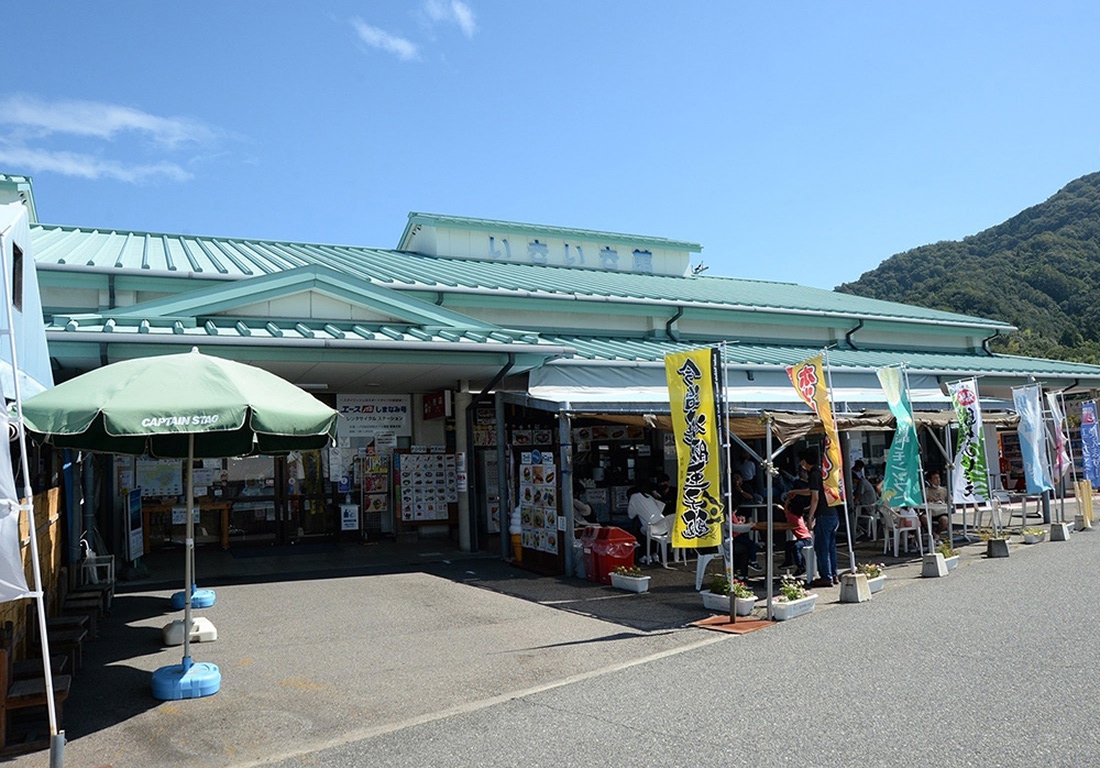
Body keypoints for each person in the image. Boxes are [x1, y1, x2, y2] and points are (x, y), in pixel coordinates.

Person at [787, 447, 839, 586]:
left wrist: (810, 518)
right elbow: (812, 491)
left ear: (804, 462)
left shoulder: (814, 474)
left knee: (821, 548)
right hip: (833, 513)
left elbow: (814, 497)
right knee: (831, 547)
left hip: (823, 515)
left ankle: (826, 577)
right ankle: (834, 574)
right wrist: (796, 492)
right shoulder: (822, 471)